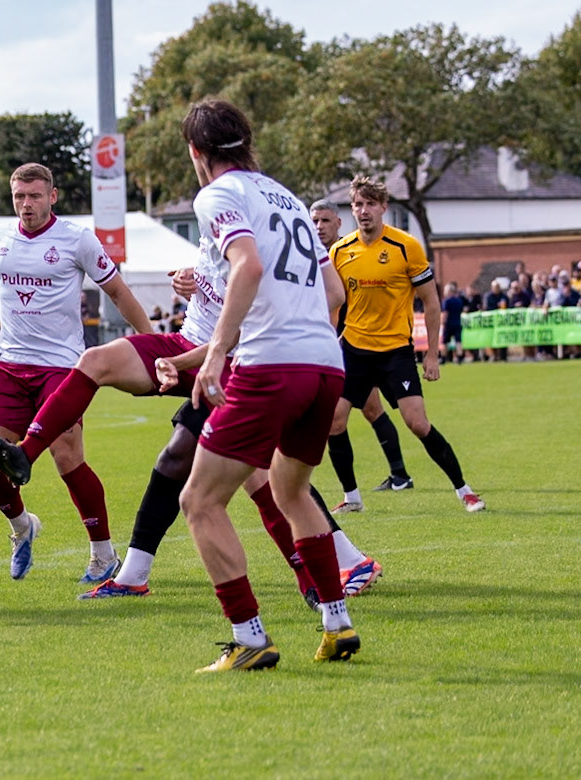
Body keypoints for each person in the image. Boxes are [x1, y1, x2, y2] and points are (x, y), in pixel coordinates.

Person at [0, 213, 380, 606]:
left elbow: (257, 319)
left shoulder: (252, 229)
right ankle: (29, 457)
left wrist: (184, 362)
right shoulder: (218, 213)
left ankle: (328, 575)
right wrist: (192, 281)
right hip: (189, 345)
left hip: (230, 366)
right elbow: (223, 287)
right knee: (98, 365)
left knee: (257, 476)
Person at [176, 98, 358, 670]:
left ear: (197, 152)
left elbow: (248, 266)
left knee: (200, 500)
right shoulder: (288, 197)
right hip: (325, 364)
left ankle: (250, 638)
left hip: (270, 365)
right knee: (291, 490)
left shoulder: (219, 194)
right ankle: (337, 625)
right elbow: (335, 295)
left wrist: (217, 354)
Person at [0, 163, 153, 583]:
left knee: (67, 455)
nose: (26, 204)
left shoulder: (77, 240)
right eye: (19, 196)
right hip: (11, 366)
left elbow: (117, 291)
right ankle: (22, 527)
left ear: (52, 196)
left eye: (34, 196)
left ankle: (103, 554)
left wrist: (152, 344)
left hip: (63, 368)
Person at [328, 177, 484, 513]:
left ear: (383, 207)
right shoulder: (340, 251)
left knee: (417, 423)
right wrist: (327, 345)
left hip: (395, 352)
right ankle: (352, 497)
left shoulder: (405, 246)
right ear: (351, 209)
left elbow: (430, 301)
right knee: (333, 422)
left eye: (371, 204)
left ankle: (465, 491)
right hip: (354, 349)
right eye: (358, 204)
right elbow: (334, 303)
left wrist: (431, 355)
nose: (364, 210)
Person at [310, 199, 413, 505]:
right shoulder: (315, 256)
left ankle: (388, 479)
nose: (319, 228)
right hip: (339, 345)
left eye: (325, 221)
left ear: (338, 224)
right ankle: (398, 475)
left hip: (351, 344)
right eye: (315, 222)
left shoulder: (345, 254)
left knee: (349, 413)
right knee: (369, 408)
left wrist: (339, 337)